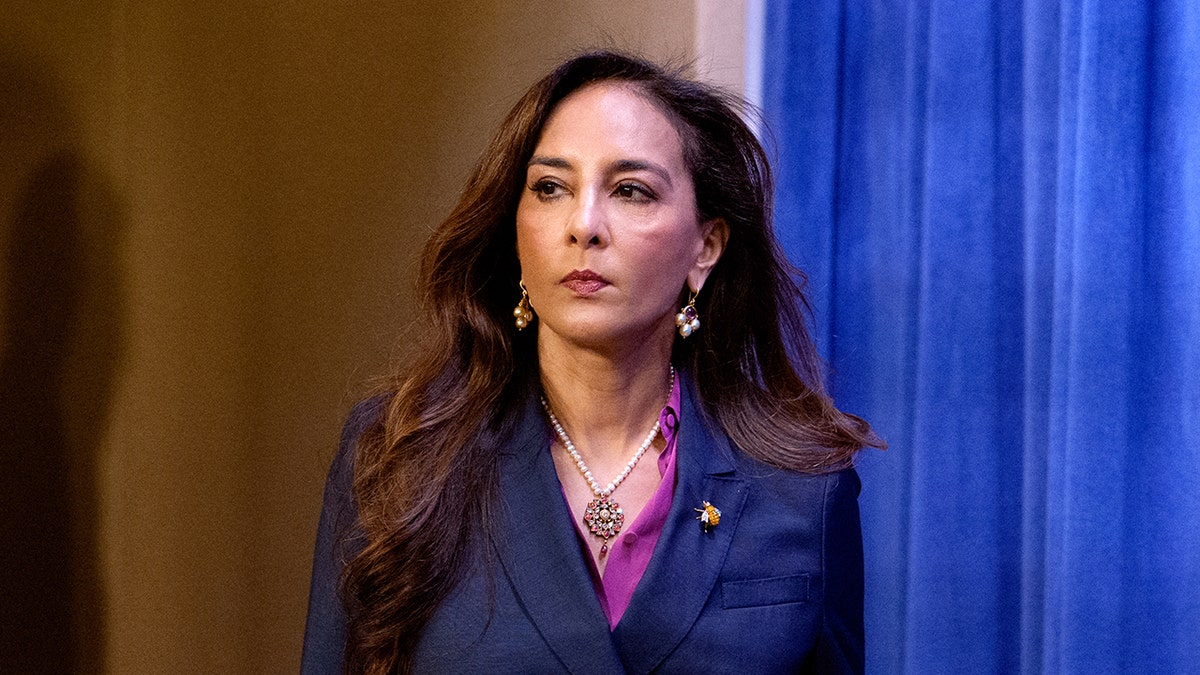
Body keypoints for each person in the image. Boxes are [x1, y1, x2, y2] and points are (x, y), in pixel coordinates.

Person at [301, 50, 884, 674]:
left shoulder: (802, 489)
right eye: (550, 188)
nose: (583, 226)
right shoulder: (398, 458)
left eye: (630, 190)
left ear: (704, 247)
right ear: (516, 226)